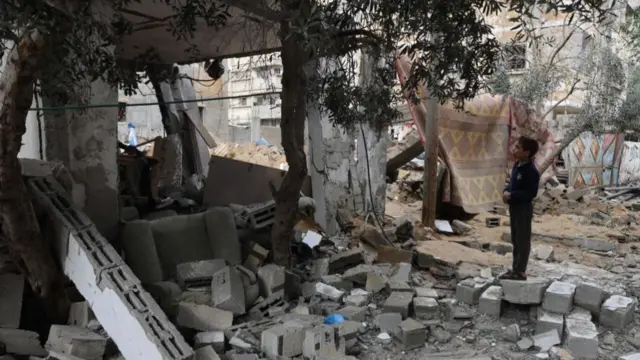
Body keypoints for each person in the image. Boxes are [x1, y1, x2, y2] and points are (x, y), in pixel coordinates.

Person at [499, 136, 540, 281]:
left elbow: (530, 193)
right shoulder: (517, 166)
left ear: (527, 152)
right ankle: (515, 268)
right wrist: (505, 191)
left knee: (522, 239)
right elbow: (511, 183)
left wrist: (512, 195)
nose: (514, 149)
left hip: (523, 209)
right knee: (516, 239)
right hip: (514, 208)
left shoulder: (531, 171)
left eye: (517, 147)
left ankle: (520, 271)